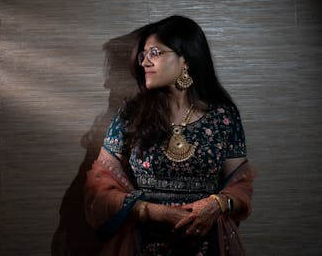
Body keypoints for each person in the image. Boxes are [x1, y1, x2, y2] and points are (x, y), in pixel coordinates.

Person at [84, 15, 254, 256]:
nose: (145, 62)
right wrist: (154, 212)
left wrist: (216, 204)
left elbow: (240, 186)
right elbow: (99, 189)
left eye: (155, 52)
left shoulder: (223, 117)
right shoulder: (131, 114)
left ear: (186, 59)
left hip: (206, 244)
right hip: (144, 243)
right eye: (143, 54)